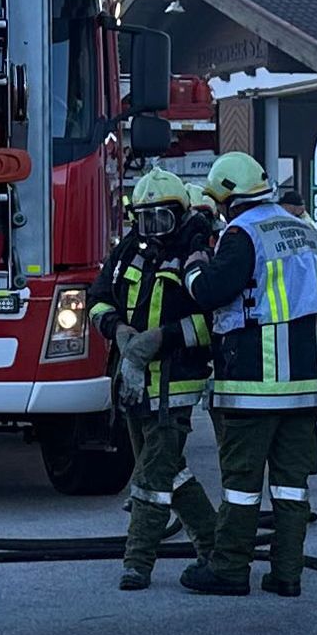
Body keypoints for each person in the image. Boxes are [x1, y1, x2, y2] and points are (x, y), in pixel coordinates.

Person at [178, 150, 317, 598]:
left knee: (242, 485)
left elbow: (210, 291)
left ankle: (228, 569)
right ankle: (287, 574)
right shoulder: (304, 230)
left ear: (227, 197)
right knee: (291, 485)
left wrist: (192, 263)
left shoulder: (242, 233)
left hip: (253, 382)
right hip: (302, 386)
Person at [93, 168, 221, 589]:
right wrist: (117, 328)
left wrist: (162, 338)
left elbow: (211, 321)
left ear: (179, 214)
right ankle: (215, 547)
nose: (152, 229)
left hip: (175, 385)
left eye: (160, 219)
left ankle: (138, 563)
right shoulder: (130, 249)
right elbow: (97, 300)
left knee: (149, 479)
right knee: (173, 471)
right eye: (144, 219)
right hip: (132, 382)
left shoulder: (196, 249)